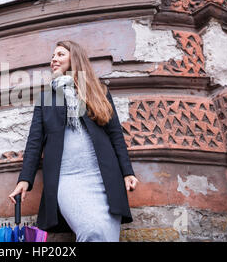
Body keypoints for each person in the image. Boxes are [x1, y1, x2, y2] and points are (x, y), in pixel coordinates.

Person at [9, 40, 139, 242]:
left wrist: (127, 171)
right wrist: (25, 180)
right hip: (68, 179)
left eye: (60, 54)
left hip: (103, 177)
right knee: (91, 231)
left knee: (107, 236)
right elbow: (34, 142)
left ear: (75, 58)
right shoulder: (46, 98)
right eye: (52, 56)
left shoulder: (98, 91)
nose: (54, 59)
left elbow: (115, 135)